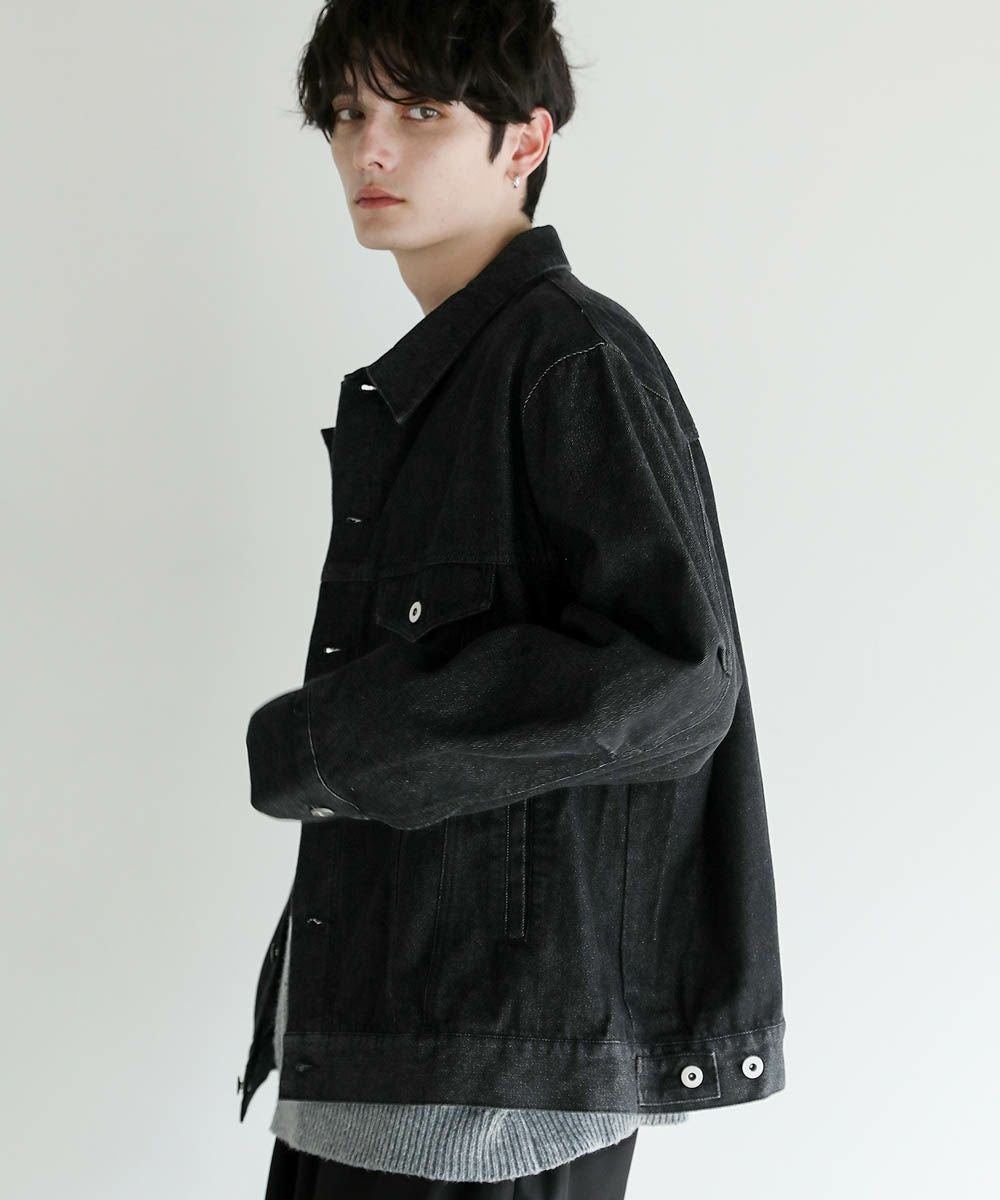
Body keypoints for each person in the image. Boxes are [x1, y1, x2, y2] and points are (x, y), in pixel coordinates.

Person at [238, 2, 787, 1197]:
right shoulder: (438, 385)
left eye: (422, 111)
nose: (370, 147)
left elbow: (675, 678)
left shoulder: (567, 358)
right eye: (348, 114)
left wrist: (333, 746)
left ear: (525, 142)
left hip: (492, 1090)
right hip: (387, 1057)